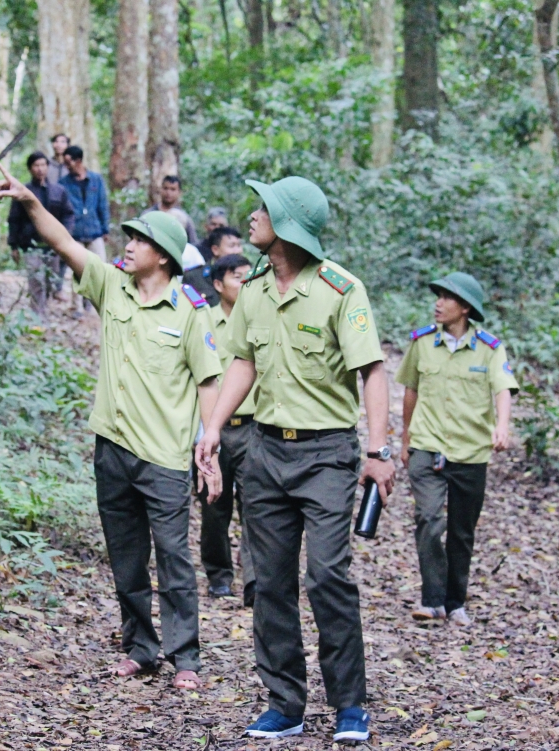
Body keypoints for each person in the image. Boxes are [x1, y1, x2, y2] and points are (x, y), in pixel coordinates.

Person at [0, 163, 223, 692]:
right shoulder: (111, 286)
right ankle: (141, 648)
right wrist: (29, 200)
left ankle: (185, 656)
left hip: (164, 457)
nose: (129, 246)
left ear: (163, 255)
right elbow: (63, 242)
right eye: (130, 238)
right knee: (126, 558)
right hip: (112, 450)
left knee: (173, 559)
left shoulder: (191, 311)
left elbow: (208, 381)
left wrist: (207, 443)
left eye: (140, 240)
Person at [194, 176, 395, 744]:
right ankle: (285, 703)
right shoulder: (255, 288)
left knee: (327, 575)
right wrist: (212, 429)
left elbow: (372, 371)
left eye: (264, 208)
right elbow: (242, 362)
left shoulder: (340, 289)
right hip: (265, 452)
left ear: (287, 225)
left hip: (326, 454)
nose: (252, 216)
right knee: (269, 582)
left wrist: (378, 451)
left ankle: (349, 704)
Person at [396, 272, 517, 628]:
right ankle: (432, 600)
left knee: (462, 531)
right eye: (438, 296)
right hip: (426, 444)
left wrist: (502, 425)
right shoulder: (421, 343)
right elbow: (410, 390)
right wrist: (405, 438)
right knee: (429, 520)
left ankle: (455, 602)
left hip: (470, 451)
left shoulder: (489, 348)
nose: (438, 303)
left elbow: (502, 389)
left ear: (465, 308)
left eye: (447, 298)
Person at [199, 253, 257, 606]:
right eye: (238, 277)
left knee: (257, 504)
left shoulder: (261, 317)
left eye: (250, 276)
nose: (246, 283)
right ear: (219, 284)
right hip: (212, 428)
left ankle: (254, 580)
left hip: (254, 427)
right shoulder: (202, 320)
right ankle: (219, 576)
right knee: (213, 504)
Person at [7, 151, 76, 315]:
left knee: (51, 281)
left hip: (53, 246)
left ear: (48, 167)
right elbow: (14, 219)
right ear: (30, 168)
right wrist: (13, 246)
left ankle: (44, 310)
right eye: (36, 165)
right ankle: (37, 317)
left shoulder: (59, 191)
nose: (40, 169)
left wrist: (66, 235)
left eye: (43, 165)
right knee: (35, 281)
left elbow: (68, 214)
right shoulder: (23, 191)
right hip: (31, 245)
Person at [59, 145, 110, 260]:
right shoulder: (63, 183)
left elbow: (102, 205)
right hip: (74, 235)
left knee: (100, 266)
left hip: (95, 232)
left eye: (68, 163)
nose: (67, 166)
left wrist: (105, 229)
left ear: (78, 161)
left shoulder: (96, 179)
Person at [183, 226, 244, 306]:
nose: (238, 251)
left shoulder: (247, 275)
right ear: (215, 249)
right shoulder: (194, 277)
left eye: (239, 245)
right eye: (231, 246)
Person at [143, 175, 200, 247]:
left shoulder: (184, 219)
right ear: (160, 189)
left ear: (179, 192)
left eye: (173, 189)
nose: (168, 192)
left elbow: (192, 245)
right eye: (165, 188)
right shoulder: (149, 214)